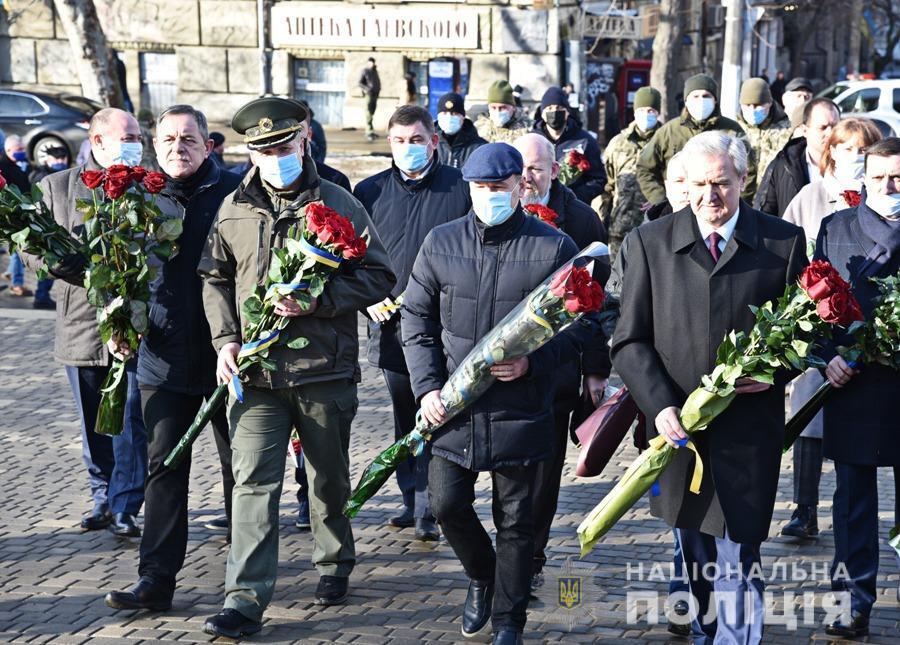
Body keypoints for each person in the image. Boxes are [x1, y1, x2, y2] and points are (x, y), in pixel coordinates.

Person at [199, 97, 394, 639]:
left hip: (322, 371)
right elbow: (214, 276)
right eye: (262, 150)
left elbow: (379, 277)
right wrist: (225, 341)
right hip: (256, 375)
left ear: (303, 140)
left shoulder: (337, 202)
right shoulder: (234, 206)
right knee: (253, 485)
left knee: (326, 478)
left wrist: (317, 301)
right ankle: (244, 599)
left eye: (283, 146)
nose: (274, 157)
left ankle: (333, 561)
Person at [613, 131, 807, 644]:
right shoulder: (648, 243)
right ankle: (706, 629)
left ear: (744, 179)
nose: (709, 197)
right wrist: (659, 407)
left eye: (721, 184)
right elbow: (630, 342)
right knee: (694, 546)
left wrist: (770, 373)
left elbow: (807, 335)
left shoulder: (782, 242)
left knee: (742, 545)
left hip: (749, 429)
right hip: (682, 432)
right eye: (698, 184)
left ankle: (738, 636)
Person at [402, 143, 579, 645]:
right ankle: (483, 574)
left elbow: (582, 327)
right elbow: (415, 318)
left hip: (521, 408)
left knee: (517, 522)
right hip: (453, 409)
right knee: (445, 505)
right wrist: (427, 387)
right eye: (479, 188)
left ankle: (508, 623)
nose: (488, 196)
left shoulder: (553, 246)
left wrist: (531, 362)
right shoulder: (441, 242)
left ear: (520, 186)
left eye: (497, 188)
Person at [103, 105, 241, 612]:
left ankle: (243, 579)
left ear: (208, 145)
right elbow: (114, 271)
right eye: (167, 139)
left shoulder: (234, 193)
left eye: (188, 138)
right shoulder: (136, 197)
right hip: (161, 359)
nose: (177, 147)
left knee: (239, 471)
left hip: (228, 358)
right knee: (164, 470)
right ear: (154, 147)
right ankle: (155, 580)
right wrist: (118, 325)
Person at [26, 107, 148, 536]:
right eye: (128, 135)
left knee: (130, 420)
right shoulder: (57, 188)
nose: (137, 141)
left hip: (134, 328)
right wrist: (75, 266)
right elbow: (30, 248)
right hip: (80, 325)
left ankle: (125, 504)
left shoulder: (148, 187)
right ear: (98, 141)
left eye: (137, 135)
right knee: (93, 421)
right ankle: (102, 495)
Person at [354, 105, 471, 541]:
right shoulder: (369, 192)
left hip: (449, 325)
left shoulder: (460, 189)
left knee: (440, 414)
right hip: (391, 328)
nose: (408, 149)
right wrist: (369, 298)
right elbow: (351, 258)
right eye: (400, 141)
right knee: (407, 416)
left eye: (417, 140)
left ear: (433, 142)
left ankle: (433, 503)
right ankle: (411, 498)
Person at [512, 132, 608, 593]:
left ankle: (530, 556)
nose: (528, 178)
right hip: (504, 365)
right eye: (522, 168)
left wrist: (595, 367)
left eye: (537, 168)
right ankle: (509, 547)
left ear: (555, 169)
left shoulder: (583, 221)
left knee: (545, 468)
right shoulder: (499, 209)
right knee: (510, 467)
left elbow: (597, 303)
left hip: (559, 366)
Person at [780, 117, 882, 541]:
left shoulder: (883, 193)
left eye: (863, 150)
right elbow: (787, 247)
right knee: (809, 416)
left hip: (871, 328)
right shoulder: (810, 197)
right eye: (845, 148)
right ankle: (804, 509)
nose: (853, 157)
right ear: (831, 152)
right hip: (821, 321)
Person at [816, 137, 900, 639]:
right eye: (881, 177)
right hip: (855, 386)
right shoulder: (837, 228)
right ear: (863, 177)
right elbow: (814, 304)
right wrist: (827, 358)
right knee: (853, 503)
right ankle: (852, 599)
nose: (890, 187)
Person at [636, 74, 751, 205]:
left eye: (706, 96)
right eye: (695, 96)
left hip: (716, 204)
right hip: (678, 208)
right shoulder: (669, 131)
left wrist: (737, 202)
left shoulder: (732, 131)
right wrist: (661, 200)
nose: (701, 101)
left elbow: (748, 170)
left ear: (715, 100)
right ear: (686, 101)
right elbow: (645, 168)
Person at [599, 86, 662, 256]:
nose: (647, 114)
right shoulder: (618, 143)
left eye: (651, 110)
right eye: (642, 110)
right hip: (620, 228)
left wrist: (663, 198)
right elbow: (607, 184)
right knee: (618, 280)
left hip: (657, 228)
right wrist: (601, 218)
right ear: (635, 112)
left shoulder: (666, 141)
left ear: (658, 113)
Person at [754, 98, 841, 217]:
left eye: (835, 126)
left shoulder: (851, 164)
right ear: (805, 130)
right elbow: (763, 215)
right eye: (823, 127)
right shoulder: (783, 165)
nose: (830, 133)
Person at [532, 86, 607, 206]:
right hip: (538, 208)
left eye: (559, 108)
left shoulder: (585, 140)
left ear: (567, 112)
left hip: (572, 209)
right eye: (549, 108)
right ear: (542, 113)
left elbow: (599, 179)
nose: (554, 112)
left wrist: (574, 196)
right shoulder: (532, 140)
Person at [26, 145, 70, 309]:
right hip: (44, 225)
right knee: (49, 262)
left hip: (56, 225)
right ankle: (41, 296)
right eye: (56, 159)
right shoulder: (41, 176)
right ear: (48, 159)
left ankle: (43, 295)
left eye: (62, 159)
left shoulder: (61, 174)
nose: (60, 162)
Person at [737, 77, 793, 182]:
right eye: (748, 105)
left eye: (758, 105)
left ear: (770, 103)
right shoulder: (734, 130)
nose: (752, 110)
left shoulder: (787, 130)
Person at [0, 130, 34, 300]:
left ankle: (13, 276)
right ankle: (17, 283)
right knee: (18, 249)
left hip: (22, 212)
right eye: (17, 149)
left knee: (17, 250)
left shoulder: (24, 164)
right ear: (8, 151)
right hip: (10, 215)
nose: (21, 151)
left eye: (22, 148)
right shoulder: (3, 167)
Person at [435, 92, 486, 170]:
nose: (449, 118)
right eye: (444, 113)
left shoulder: (479, 147)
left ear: (463, 117)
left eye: (454, 113)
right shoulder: (430, 144)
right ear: (438, 116)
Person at [359, 57, 381, 141]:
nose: (372, 64)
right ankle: (369, 131)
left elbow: (377, 82)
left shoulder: (375, 71)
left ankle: (371, 130)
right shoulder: (365, 71)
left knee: (372, 112)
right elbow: (360, 83)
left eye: (373, 62)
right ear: (368, 63)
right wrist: (367, 89)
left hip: (375, 95)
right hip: (368, 94)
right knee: (368, 112)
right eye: (370, 62)